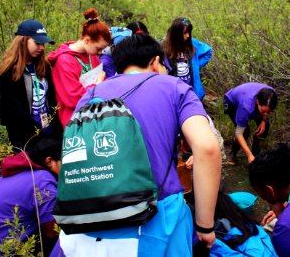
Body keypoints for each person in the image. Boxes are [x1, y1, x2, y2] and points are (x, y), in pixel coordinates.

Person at [53, 33, 221, 256]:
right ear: (154, 62)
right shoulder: (174, 88)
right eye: (163, 65)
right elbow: (207, 148)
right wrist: (205, 226)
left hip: (85, 227)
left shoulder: (91, 94)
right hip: (156, 223)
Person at [0, 137, 62, 256]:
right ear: (49, 161)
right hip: (0, 251)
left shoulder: (23, 171)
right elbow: (54, 231)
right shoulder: (42, 181)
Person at [0, 19, 62, 152]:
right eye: (37, 43)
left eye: (43, 44)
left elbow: (52, 99)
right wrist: (37, 134)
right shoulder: (10, 72)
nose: (42, 48)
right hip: (26, 139)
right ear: (23, 41)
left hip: (49, 132)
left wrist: (56, 128)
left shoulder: (43, 66)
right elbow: (15, 111)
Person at [48, 8, 111, 127]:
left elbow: (104, 80)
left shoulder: (91, 55)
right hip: (75, 122)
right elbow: (72, 98)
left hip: (92, 116)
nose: (99, 53)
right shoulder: (64, 61)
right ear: (87, 40)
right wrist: (97, 86)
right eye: (98, 48)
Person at [223, 83, 277, 165]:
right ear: (258, 102)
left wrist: (263, 120)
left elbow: (265, 111)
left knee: (265, 127)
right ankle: (233, 153)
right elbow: (238, 133)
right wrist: (249, 155)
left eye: (269, 112)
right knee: (245, 131)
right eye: (263, 111)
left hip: (250, 99)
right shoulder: (246, 106)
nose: (266, 114)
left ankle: (256, 156)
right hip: (231, 102)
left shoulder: (272, 94)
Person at [162, 17, 213, 101]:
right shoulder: (165, 48)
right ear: (176, 34)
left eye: (189, 32)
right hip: (175, 94)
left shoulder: (192, 43)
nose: (188, 35)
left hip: (193, 93)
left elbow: (208, 51)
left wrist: (196, 65)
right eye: (185, 33)